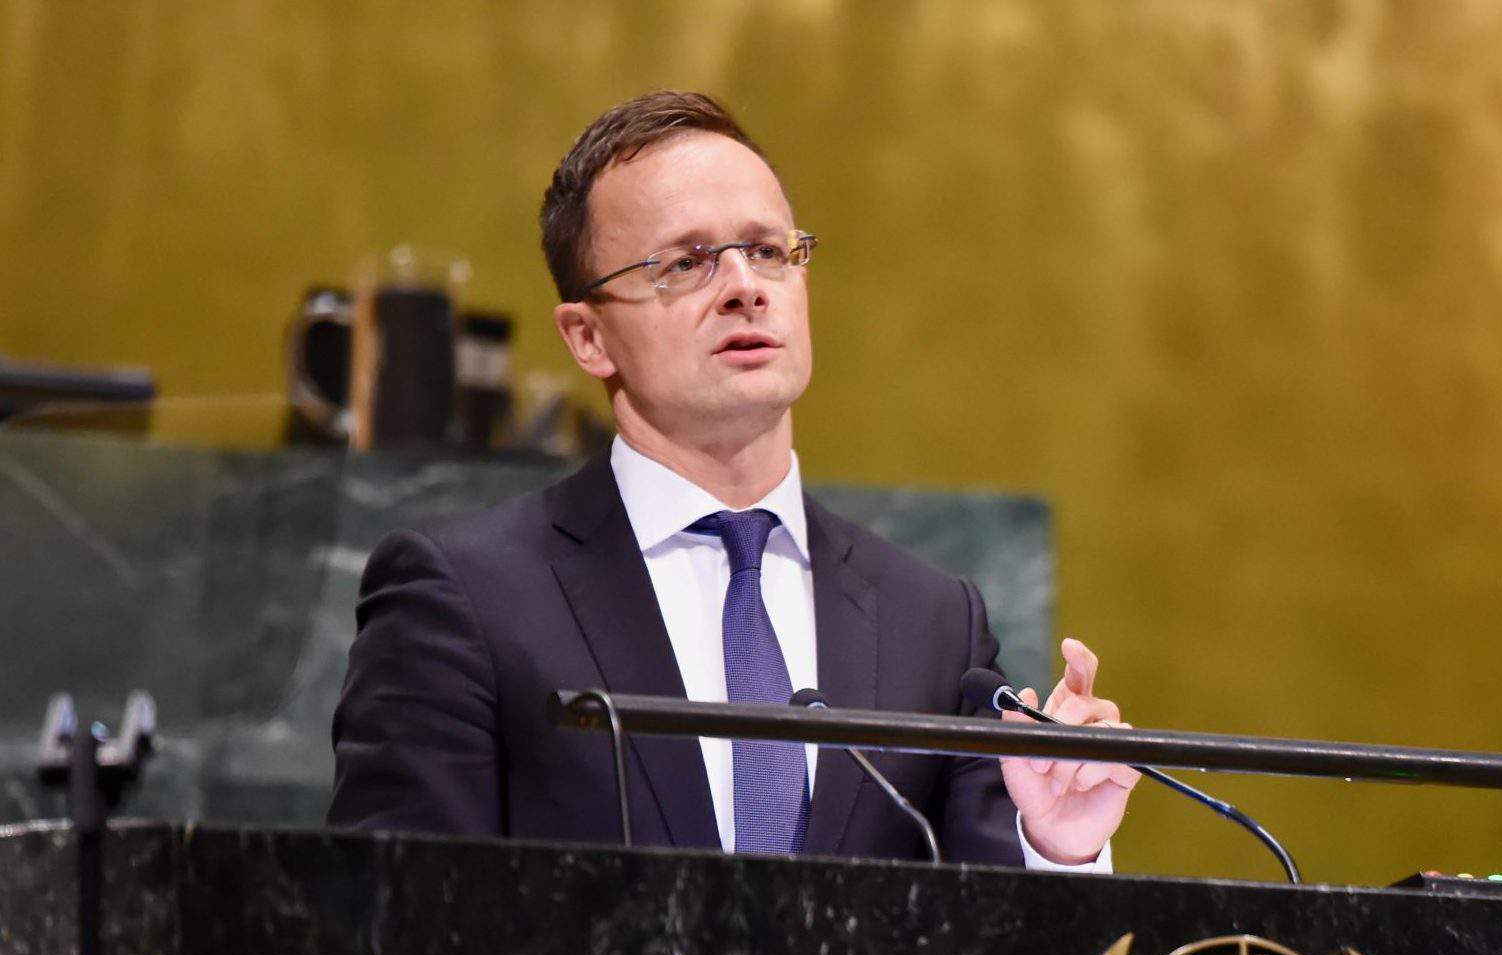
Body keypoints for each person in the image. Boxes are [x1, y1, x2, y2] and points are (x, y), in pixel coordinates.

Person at [326, 90, 1139, 870]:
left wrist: (1058, 845)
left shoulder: (931, 622)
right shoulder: (465, 599)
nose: (745, 286)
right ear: (587, 337)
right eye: (686, 262)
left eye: (768, 251)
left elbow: (989, 936)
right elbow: (393, 923)